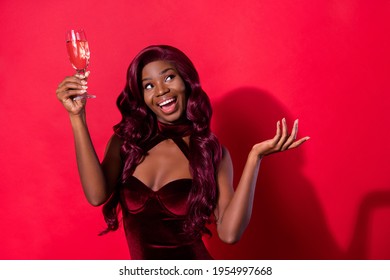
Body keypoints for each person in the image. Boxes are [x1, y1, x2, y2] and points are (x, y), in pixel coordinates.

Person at [56, 45, 309, 260]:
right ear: (141, 96)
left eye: (168, 78)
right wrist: (77, 117)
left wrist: (255, 157)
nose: (161, 91)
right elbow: (96, 195)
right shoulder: (126, 143)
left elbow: (230, 234)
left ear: (186, 82)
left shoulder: (210, 152)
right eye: (148, 85)